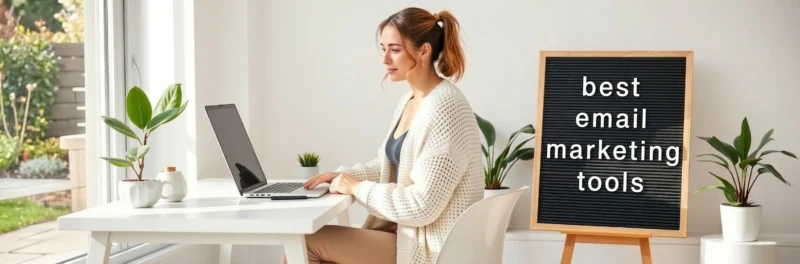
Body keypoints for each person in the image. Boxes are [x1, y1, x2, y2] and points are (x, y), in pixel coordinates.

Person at [283, 7, 483, 264]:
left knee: (305, 244)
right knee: (307, 245)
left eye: (395, 49)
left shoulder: (446, 108)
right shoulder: (410, 100)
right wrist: (344, 176)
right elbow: (388, 166)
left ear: (424, 51)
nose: (385, 59)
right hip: (402, 235)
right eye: (383, 48)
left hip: (429, 248)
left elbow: (422, 206)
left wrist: (357, 188)